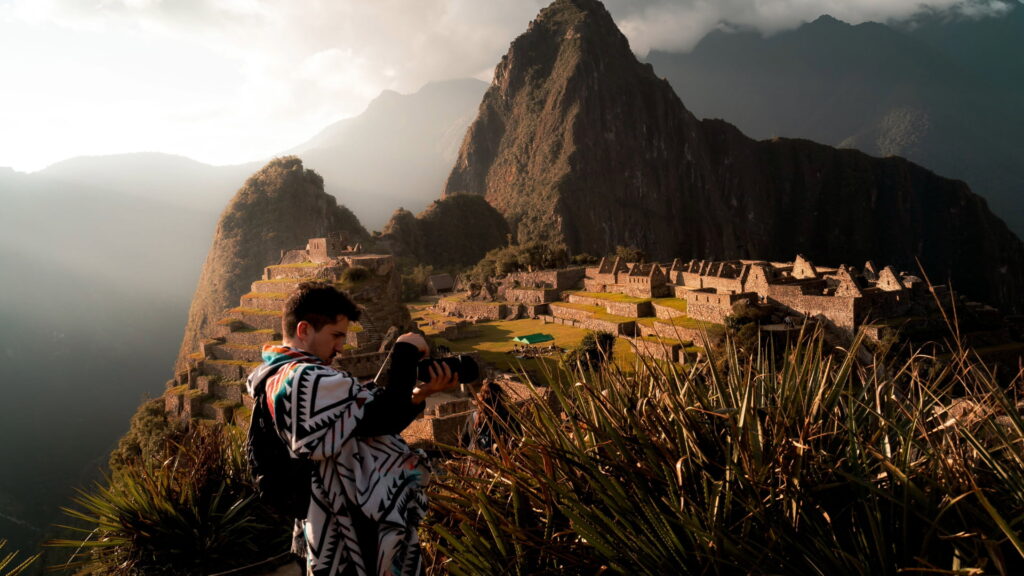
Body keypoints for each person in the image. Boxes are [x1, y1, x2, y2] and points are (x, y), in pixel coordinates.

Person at [246, 281, 458, 576]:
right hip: (344, 524)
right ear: (304, 329)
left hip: (335, 517)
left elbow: (366, 419)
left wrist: (419, 393)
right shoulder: (301, 378)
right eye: (336, 335)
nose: (341, 346)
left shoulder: (282, 375)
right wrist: (405, 353)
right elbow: (380, 415)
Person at [460, 381, 513, 452]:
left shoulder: (472, 417)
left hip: (473, 457)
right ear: (500, 397)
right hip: (496, 459)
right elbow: (516, 440)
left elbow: (463, 442)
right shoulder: (507, 417)